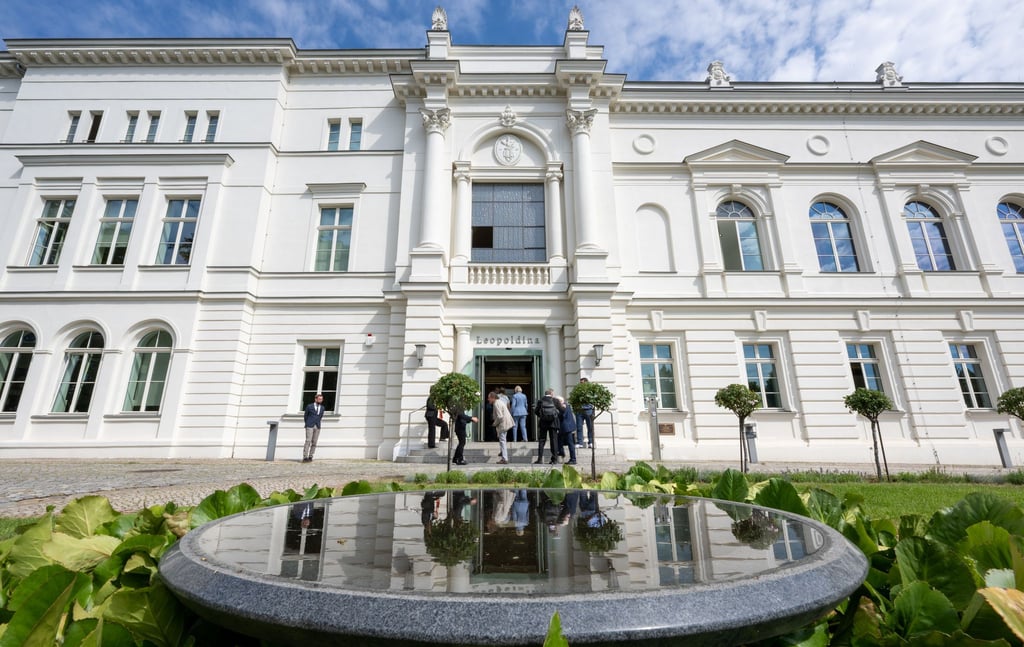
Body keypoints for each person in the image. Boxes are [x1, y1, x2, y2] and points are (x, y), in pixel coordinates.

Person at [534, 388, 561, 465]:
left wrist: (542, 416)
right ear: (551, 394)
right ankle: (555, 459)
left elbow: (536, 411)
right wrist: (554, 416)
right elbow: (561, 410)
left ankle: (539, 459)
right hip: (553, 423)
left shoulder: (541, 401)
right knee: (554, 441)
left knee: (542, 441)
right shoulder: (555, 400)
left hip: (543, 423)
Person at [488, 391, 514, 464]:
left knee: (502, 441)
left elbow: (500, 416)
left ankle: (504, 458)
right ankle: (503, 452)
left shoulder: (496, 403)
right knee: (503, 440)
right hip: (506, 423)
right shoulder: (499, 402)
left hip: (503, 424)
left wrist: (494, 424)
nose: (488, 399)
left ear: (493, 398)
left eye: (489, 398)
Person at [302, 393, 325, 462]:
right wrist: (307, 423)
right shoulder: (309, 406)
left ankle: (311, 456)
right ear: (316, 399)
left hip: (317, 426)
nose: (321, 400)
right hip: (309, 425)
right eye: (319, 399)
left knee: (314, 442)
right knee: (308, 441)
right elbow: (305, 416)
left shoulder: (322, 408)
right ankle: (305, 456)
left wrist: (317, 424)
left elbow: (320, 416)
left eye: (321, 399)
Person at [556, 396, 577, 465]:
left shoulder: (564, 406)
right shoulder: (566, 405)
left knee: (570, 444)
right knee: (559, 440)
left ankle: (573, 459)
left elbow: (562, 416)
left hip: (566, 428)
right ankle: (561, 452)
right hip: (566, 427)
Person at [575, 377, 595, 449]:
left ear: (586, 383)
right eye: (580, 383)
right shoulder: (577, 391)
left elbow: (594, 400)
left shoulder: (591, 391)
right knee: (579, 427)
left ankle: (591, 442)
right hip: (579, 411)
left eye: (582, 383)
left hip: (588, 411)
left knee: (590, 427)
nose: (581, 384)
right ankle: (580, 442)